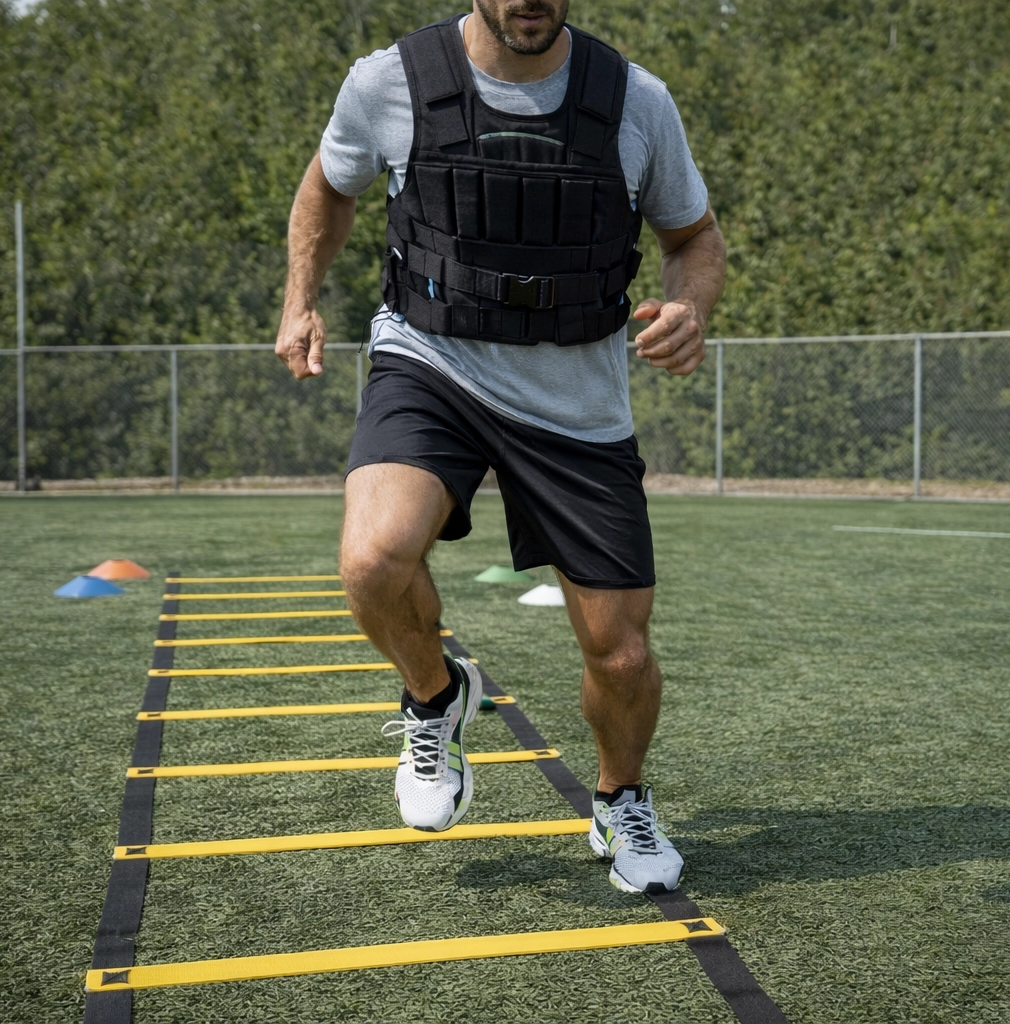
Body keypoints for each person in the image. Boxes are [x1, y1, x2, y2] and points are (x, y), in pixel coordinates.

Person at [275, 0, 725, 893]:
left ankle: (619, 798)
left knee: (622, 654)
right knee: (372, 560)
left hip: (575, 398)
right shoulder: (388, 82)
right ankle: (436, 696)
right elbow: (329, 183)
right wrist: (300, 298)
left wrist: (691, 308)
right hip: (429, 359)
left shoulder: (635, 101)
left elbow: (694, 237)